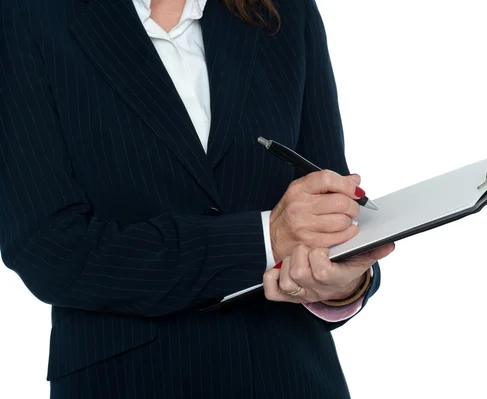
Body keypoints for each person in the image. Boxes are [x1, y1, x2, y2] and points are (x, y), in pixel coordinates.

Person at [0, 0, 395, 397]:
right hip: (126, 382)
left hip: (290, 375)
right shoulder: (25, 16)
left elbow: (329, 206)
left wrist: (344, 283)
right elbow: (47, 249)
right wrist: (261, 240)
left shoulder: (286, 10)